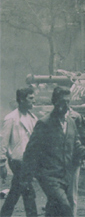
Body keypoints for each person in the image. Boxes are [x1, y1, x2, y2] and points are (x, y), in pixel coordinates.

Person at [20, 86, 85, 217]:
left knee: (53, 209)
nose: (66, 106)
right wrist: (26, 179)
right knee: (65, 208)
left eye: (68, 102)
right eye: (63, 102)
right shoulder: (44, 123)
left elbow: (76, 146)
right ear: (54, 102)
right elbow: (30, 152)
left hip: (65, 176)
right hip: (49, 176)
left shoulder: (71, 122)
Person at [0, 87, 38, 217]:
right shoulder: (11, 118)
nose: (34, 101)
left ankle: (4, 214)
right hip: (17, 161)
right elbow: (3, 142)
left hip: (30, 161)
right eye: (30, 98)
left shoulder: (33, 118)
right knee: (28, 192)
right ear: (21, 100)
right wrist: (2, 163)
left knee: (15, 191)